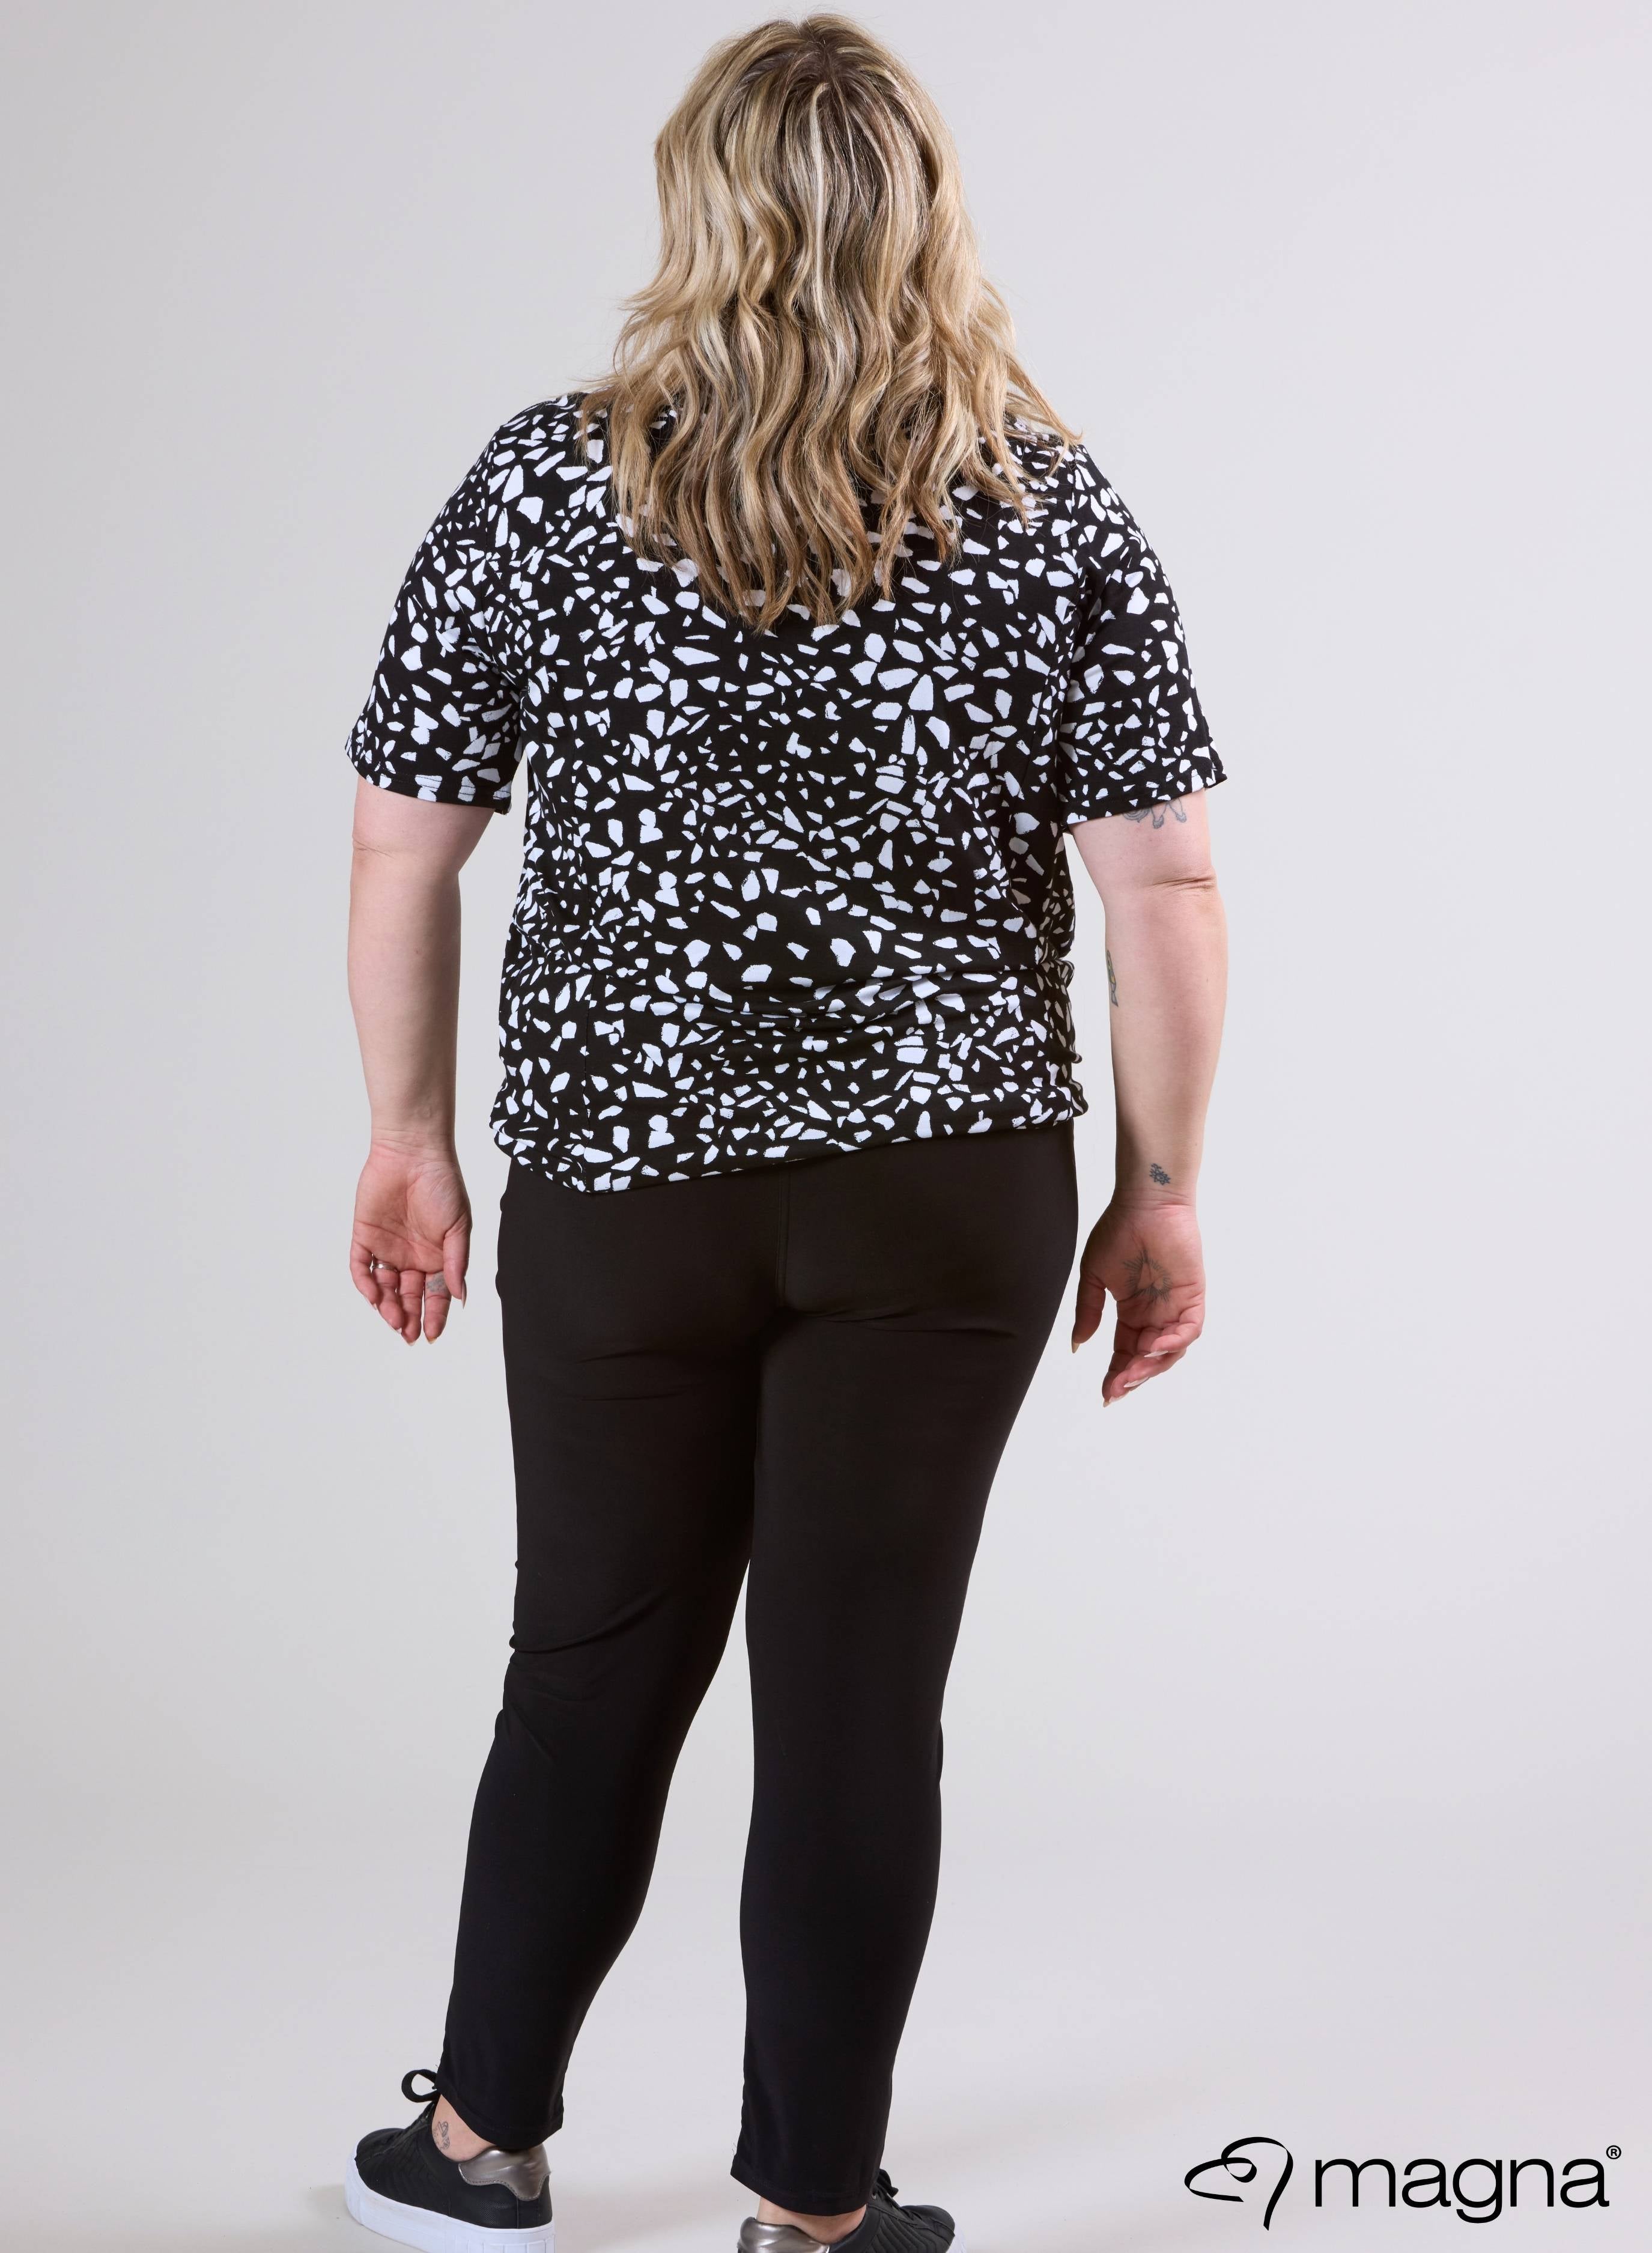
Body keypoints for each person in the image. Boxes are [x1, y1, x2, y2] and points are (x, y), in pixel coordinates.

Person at [341, 16, 1226, 2252]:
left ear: (699, 206)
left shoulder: (548, 484)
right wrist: (1165, 1191)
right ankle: (812, 2215)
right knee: (857, 1704)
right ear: (927, 209)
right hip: (948, 1191)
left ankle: (476, 2150)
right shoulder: (1043, 496)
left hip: (625, 1185)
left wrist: (409, 1138)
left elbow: (403, 841)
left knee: (589, 1663)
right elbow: (1164, 891)